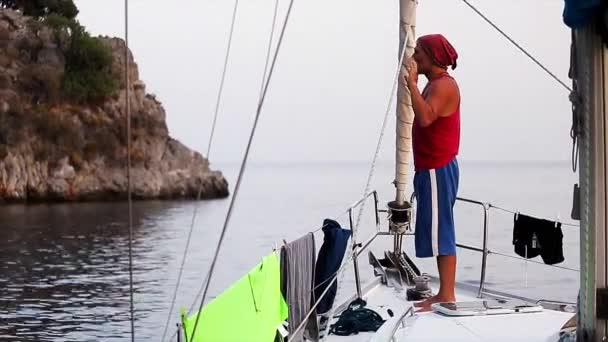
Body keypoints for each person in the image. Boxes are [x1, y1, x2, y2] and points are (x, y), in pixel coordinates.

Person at [403, 34, 461, 307]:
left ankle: (447, 294)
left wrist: (412, 85)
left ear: (433, 56)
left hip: (438, 168)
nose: (415, 58)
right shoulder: (433, 85)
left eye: (419, 53)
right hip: (429, 169)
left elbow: (426, 118)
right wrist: (416, 86)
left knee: (443, 230)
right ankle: (443, 292)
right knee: (438, 230)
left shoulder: (443, 86)